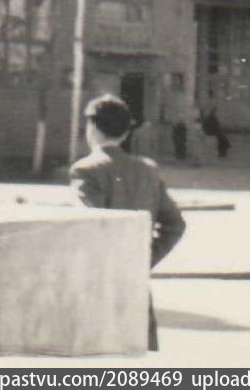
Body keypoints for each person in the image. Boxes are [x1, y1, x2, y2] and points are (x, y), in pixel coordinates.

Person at [70, 94, 186, 352]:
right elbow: (175, 225)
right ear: (125, 133)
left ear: (92, 128)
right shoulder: (147, 170)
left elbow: (88, 225)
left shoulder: (85, 170)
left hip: (98, 285)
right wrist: (144, 258)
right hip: (136, 287)